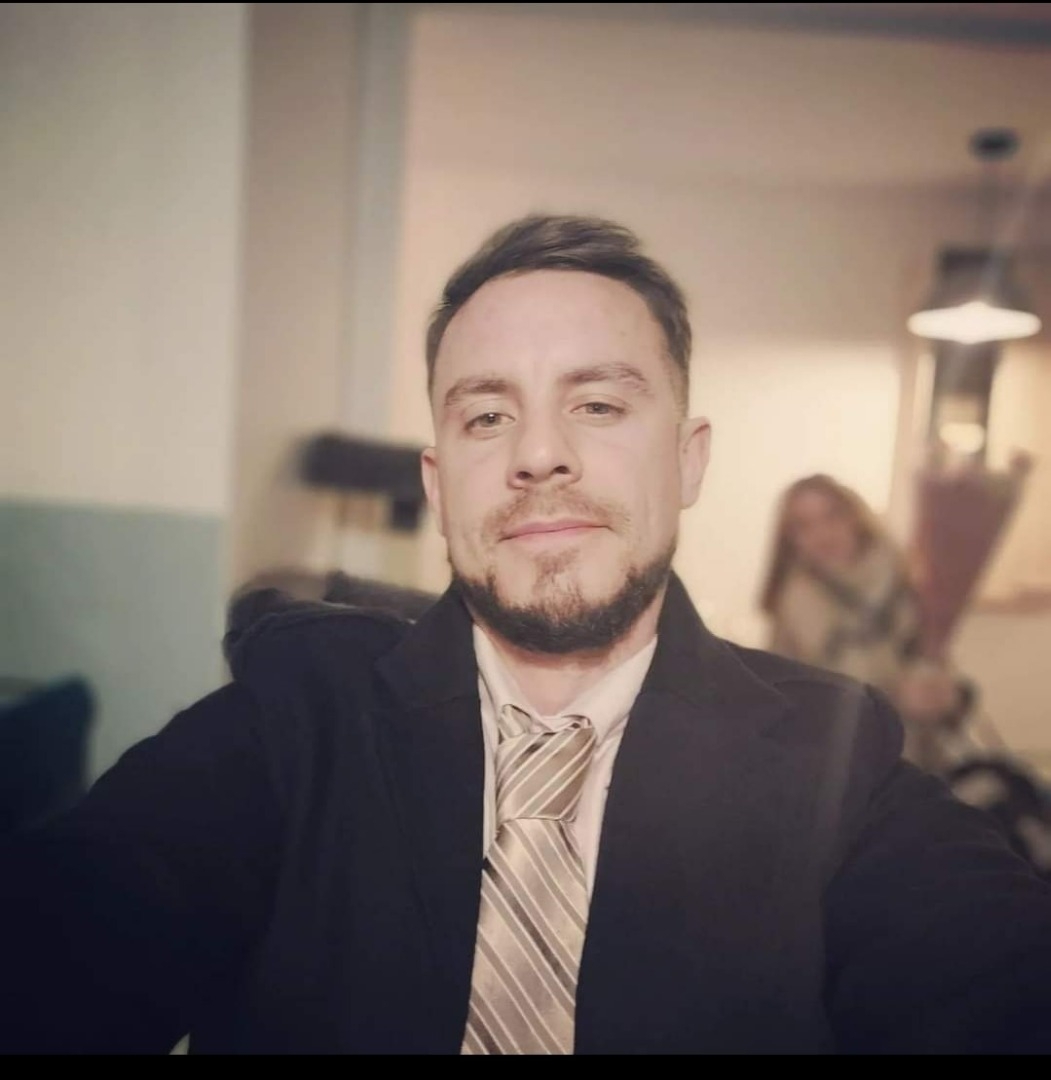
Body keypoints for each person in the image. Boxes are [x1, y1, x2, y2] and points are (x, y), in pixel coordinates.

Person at [2, 215, 1051, 1055]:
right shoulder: (293, 720)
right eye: (486, 416)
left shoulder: (832, 766)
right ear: (437, 482)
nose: (538, 454)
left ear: (687, 460)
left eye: (596, 406)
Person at [759, 474, 965, 774]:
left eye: (832, 516)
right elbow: (791, 706)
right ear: (791, 540)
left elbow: (938, 665)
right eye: (803, 525)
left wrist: (946, 695)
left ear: (854, 516)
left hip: (921, 764)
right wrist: (894, 697)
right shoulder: (794, 606)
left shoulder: (905, 582)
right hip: (836, 772)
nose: (822, 533)